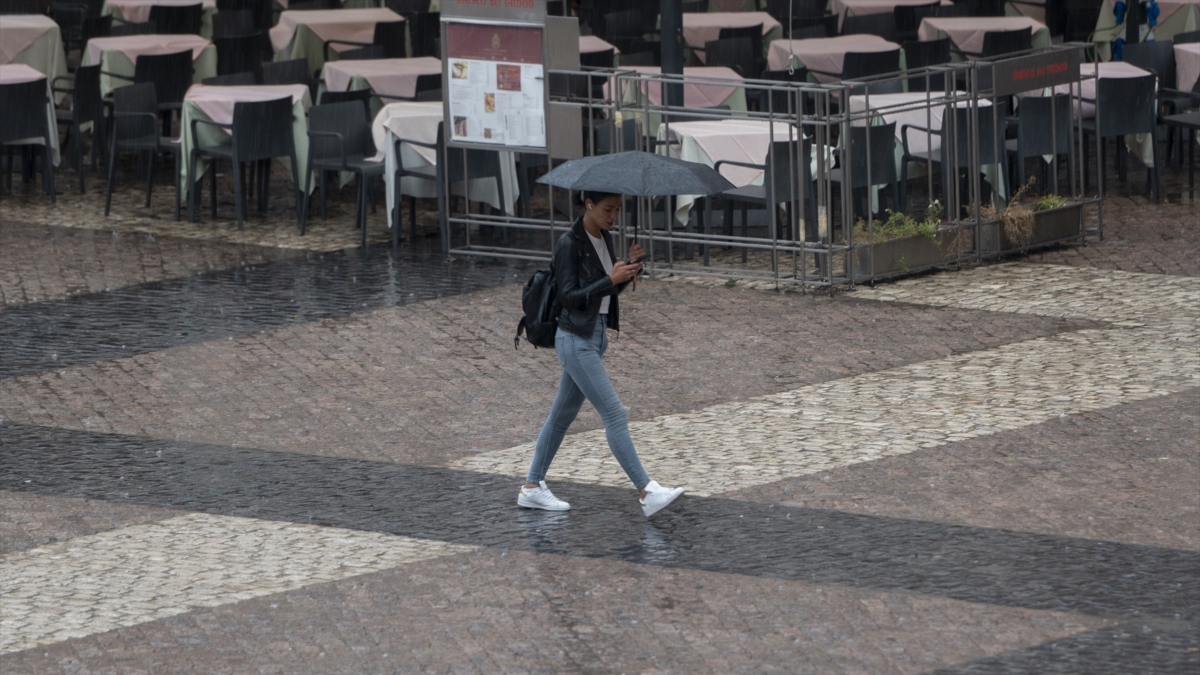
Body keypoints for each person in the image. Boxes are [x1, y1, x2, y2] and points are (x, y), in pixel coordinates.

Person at [518, 191, 685, 517]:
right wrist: (609, 278)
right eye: (608, 209)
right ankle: (646, 490)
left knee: (561, 417)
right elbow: (568, 297)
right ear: (589, 204)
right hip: (575, 340)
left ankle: (532, 487)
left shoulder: (605, 239)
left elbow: (605, 294)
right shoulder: (569, 243)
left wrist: (629, 270)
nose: (613, 216)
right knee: (614, 414)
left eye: (618, 210)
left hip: (594, 337)